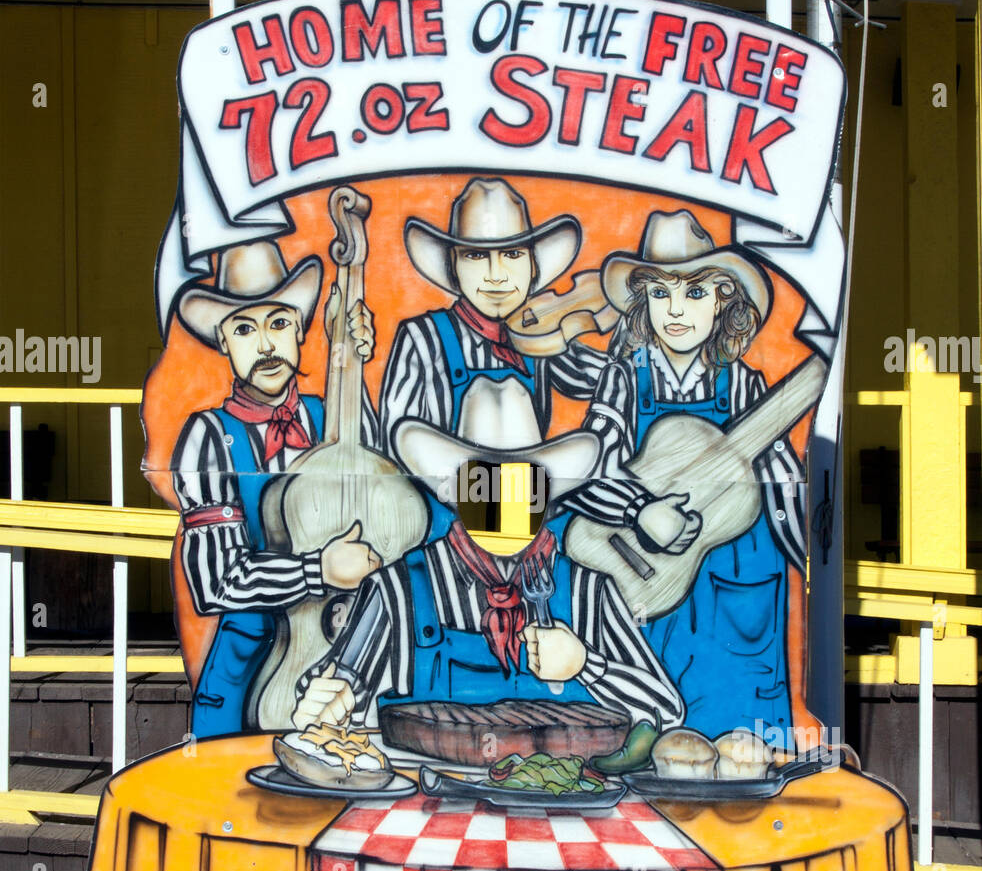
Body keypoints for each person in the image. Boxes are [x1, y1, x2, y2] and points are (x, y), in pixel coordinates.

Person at [293, 385, 683, 735]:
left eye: (522, 486)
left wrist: (587, 665)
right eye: (483, 485)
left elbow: (667, 710)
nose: (503, 505)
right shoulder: (397, 589)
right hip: (433, 803)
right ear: (454, 491)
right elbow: (335, 683)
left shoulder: (591, 593)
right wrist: (323, 701)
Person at [561, 209, 808, 740]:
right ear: (643, 301)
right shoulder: (624, 379)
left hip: (732, 589)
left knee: (736, 743)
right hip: (646, 586)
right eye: (660, 293)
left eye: (695, 294)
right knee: (649, 734)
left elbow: (784, 477)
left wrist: (811, 554)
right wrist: (638, 510)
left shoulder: (746, 384)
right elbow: (589, 467)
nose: (676, 311)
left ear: (724, 300)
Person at [171, 239, 382, 739]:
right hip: (247, 681)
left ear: (301, 328)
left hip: (338, 675)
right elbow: (215, 582)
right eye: (244, 329)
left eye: (279, 323)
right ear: (222, 342)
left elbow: (383, 508)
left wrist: (353, 369)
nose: (265, 346)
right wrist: (318, 570)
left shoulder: (330, 413)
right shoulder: (209, 437)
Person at [378, 177, 607, 469]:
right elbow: (394, 450)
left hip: (527, 505)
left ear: (532, 265)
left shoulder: (539, 336)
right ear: (454, 266)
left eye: (513, 254)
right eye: (475, 255)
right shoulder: (422, 337)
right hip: (446, 506)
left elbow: (602, 380)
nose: (496, 275)